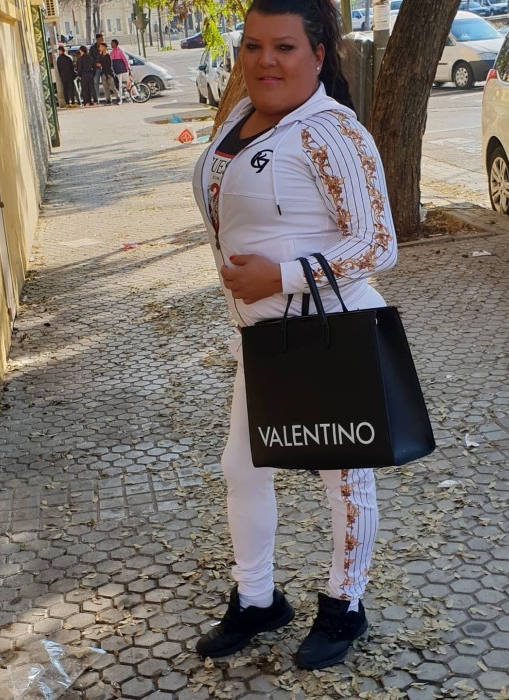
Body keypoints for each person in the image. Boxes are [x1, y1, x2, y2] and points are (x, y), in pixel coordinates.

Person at [191, 0, 397, 672]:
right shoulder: (240, 118)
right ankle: (257, 600)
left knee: (343, 477)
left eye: (284, 47)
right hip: (263, 340)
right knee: (242, 467)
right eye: (252, 46)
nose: (265, 61)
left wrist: (281, 276)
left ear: (318, 54)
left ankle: (345, 604)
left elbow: (378, 242)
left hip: (326, 333)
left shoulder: (331, 131)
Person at [89, 33, 104, 102]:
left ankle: (108, 98)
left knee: (106, 83)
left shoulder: (103, 46)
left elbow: (106, 56)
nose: (102, 39)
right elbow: (90, 57)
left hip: (103, 67)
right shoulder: (92, 48)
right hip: (96, 68)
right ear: (97, 39)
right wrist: (95, 64)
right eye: (101, 38)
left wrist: (102, 64)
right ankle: (97, 98)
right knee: (96, 83)